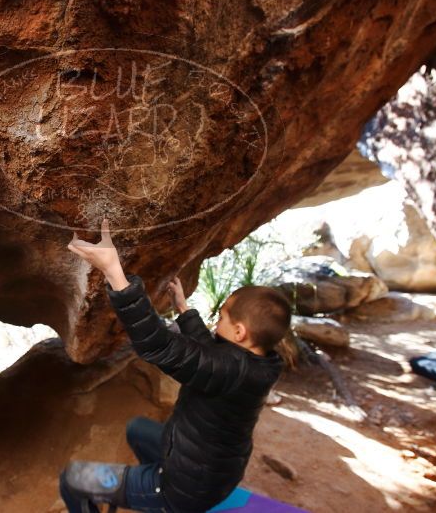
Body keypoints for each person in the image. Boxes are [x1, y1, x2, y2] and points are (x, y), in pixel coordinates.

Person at [59, 218, 291, 513]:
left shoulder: (229, 370)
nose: (217, 322)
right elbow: (210, 357)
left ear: (240, 332)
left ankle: (158, 499)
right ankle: (142, 495)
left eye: (222, 317)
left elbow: (158, 345)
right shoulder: (258, 362)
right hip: (210, 469)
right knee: (136, 429)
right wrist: (184, 310)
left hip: (185, 490)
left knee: (73, 478)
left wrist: (113, 271)